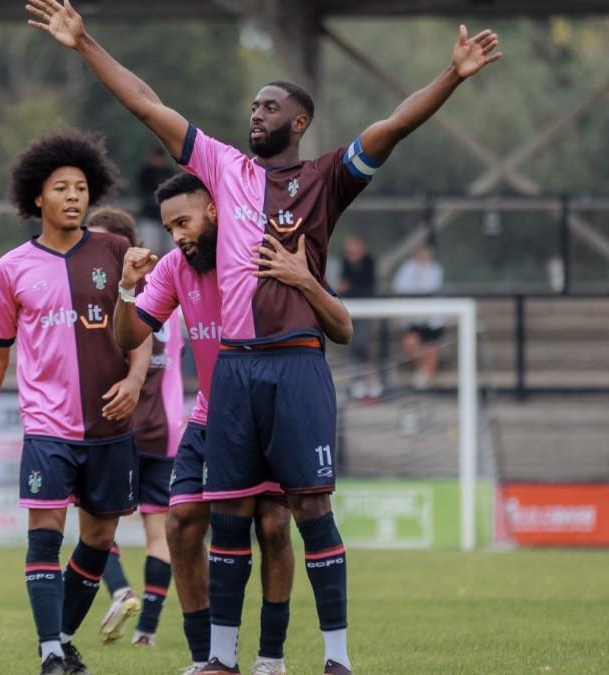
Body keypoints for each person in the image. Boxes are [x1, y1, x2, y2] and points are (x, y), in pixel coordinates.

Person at [27, 2, 501, 673]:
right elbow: (145, 103)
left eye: (270, 105)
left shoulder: (327, 178)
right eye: (252, 104)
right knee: (229, 515)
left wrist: (451, 77)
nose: (256, 113)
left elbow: (393, 126)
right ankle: (220, 658)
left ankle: (336, 657)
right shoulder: (223, 169)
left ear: (299, 121)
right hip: (237, 373)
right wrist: (85, 45)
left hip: (298, 362)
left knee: (306, 508)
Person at [115, 174, 354, 675]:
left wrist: (304, 279)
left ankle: (271, 657)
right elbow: (127, 335)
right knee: (180, 524)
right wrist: (125, 289)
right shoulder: (176, 267)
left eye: (184, 221)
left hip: (267, 409)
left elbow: (340, 326)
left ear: (215, 211)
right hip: (210, 416)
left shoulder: (263, 260)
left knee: (271, 525)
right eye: (168, 226)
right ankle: (208, 659)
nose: (176, 235)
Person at [0, 129, 152, 675]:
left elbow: (143, 329)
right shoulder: (11, 268)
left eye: (81, 187)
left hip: (109, 425)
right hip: (47, 426)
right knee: (44, 534)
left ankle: (63, 639)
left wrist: (137, 380)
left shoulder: (116, 252)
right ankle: (51, 653)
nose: (73, 196)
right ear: (36, 199)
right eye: (60, 187)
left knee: (98, 537)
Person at [84, 207, 184, 648]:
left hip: (118, 427)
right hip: (167, 429)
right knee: (157, 532)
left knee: (96, 520)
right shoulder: (171, 293)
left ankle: (121, 590)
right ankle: (146, 632)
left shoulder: (111, 302)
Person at [392, 244, 446, 388]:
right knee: (411, 342)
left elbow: (431, 287)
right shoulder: (406, 269)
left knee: (431, 346)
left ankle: (427, 377)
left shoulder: (435, 269)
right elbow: (400, 287)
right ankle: (424, 372)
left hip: (431, 317)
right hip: (412, 316)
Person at [337, 236, 380, 399]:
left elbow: (367, 287)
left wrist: (349, 287)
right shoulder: (346, 264)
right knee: (353, 346)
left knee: (363, 344)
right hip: (349, 310)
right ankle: (357, 381)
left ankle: (372, 381)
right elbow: (342, 286)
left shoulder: (369, 263)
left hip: (366, 310)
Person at [136, 148, 174, 251]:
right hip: (149, 215)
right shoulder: (145, 171)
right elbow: (142, 191)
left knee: (168, 248)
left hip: (166, 217)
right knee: (150, 247)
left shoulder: (168, 171)